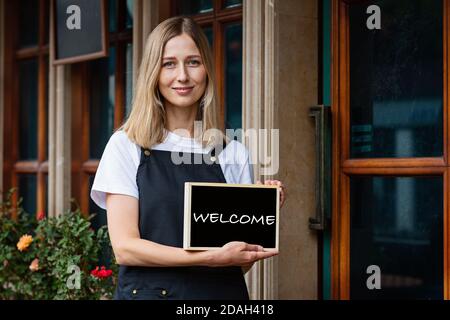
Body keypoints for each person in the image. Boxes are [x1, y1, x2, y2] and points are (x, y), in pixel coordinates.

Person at [90, 16, 286, 300]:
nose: (182, 76)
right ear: (153, 74)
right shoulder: (127, 145)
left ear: (206, 69)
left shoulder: (232, 153)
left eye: (193, 62)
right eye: (169, 63)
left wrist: (264, 211)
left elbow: (239, 261)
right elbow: (125, 248)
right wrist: (206, 258)